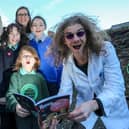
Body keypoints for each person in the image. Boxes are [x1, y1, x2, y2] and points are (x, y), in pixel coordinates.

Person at [42, 13, 129, 129]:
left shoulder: (106, 49)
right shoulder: (68, 62)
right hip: (87, 114)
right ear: (64, 41)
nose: (76, 38)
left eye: (80, 33)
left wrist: (94, 104)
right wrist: (54, 115)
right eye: (69, 36)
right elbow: (65, 91)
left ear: (86, 35)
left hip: (115, 110)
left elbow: (116, 87)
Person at [6, 45, 49, 129]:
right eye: (25, 56)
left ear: (35, 60)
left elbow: (46, 98)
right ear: (20, 60)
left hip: (38, 119)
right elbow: (10, 94)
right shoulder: (15, 76)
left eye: (30, 56)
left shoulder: (40, 77)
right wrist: (15, 106)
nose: (28, 58)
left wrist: (47, 116)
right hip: (22, 118)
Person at [0, 23, 28, 129]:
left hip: (19, 98)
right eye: (11, 34)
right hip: (3, 98)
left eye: (17, 34)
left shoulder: (24, 50)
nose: (14, 37)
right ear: (7, 35)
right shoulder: (2, 50)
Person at [29, 16, 62, 96]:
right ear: (31, 28)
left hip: (52, 82)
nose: (38, 27)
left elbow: (60, 64)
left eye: (41, 25)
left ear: (45, 27)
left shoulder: (52, 42)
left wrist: (60, 82)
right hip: (36, 82)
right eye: (35, 25)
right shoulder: (30, 44)